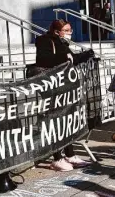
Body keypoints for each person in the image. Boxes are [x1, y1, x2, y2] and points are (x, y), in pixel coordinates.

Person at [35, 19, 94, 171]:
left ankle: (70, 153)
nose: (70, 33)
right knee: (55, 121)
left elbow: (71, 60)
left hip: (64, 88)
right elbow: (43, 59)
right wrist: (64, 58)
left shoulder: (63, 44)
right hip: (51, 88)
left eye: (70, 30)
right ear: (56, 31)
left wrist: (86, 55)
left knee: (66, 121)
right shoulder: (44, 41)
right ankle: (57, 158)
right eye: (66, 30)